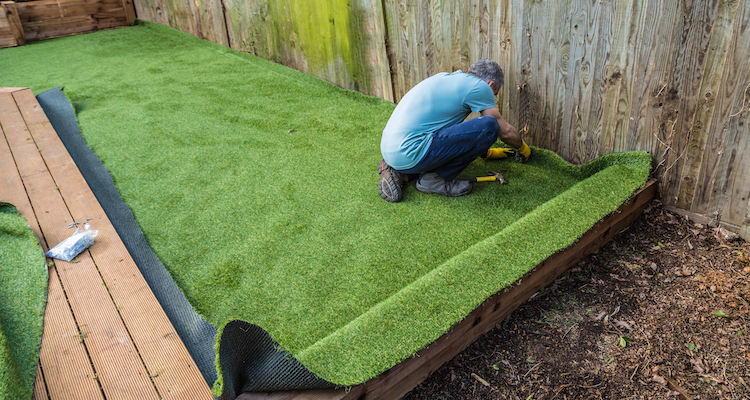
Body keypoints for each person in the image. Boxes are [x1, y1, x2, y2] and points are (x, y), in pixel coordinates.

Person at [378, 59, 531, 203]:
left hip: (390, 147)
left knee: (475, 128)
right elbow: (505, 132)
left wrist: (487, 152)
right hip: (410, 150)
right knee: (490, 126)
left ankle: (400, 171)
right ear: (490, 85)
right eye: (495, 93)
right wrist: (522, 148)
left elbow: (449, 133)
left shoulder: (447, 78)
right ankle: (433, 179)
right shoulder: (481, 87)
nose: (492, 98)